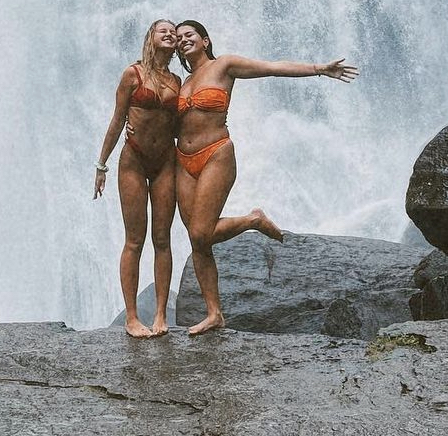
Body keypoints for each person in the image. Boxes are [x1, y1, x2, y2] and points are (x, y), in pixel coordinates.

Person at [172, 19, 358, 335]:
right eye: (177, 38)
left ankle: (251, 220)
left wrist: (318, 68)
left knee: (201, 234)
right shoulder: (180, 82)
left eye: (189, 34)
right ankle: (214, 314)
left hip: (216, 153)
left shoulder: (224, 65)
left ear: (205, 40)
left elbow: (271, 67)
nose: (182, 40)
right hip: (182, 161)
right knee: (197, 238)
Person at [94, 20, 181, 338]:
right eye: (163, 30)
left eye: (174, 31)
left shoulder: (177, 80)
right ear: (151, 38)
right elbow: (118, 119)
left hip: (165, 163)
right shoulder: (133, 74)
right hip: (132, 161)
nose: (170, 34)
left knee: (162, 239)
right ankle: (132, 318)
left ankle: (160, 315)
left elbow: (179, 126)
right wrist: (100, 165)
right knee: (134, 240)